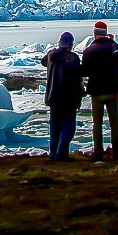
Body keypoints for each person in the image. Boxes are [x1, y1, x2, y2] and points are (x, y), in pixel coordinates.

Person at [80, 20, 118, 160]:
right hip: (112, 91)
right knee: (114, 121)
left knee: (97, 123)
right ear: (106, 34)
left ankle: (98, 152)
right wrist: (112, 42)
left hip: (96, 91)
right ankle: (116, 152)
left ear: (94, 33)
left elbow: (84, 72)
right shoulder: (113, 49)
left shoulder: (88, 51)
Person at [39, 31, 85, 161]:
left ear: (60, 42)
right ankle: (61, 153)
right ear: (70, 44)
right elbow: (78, 75)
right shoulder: (74, 58)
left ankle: (53, 154)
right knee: (68, 128)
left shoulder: (51, 55)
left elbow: (43, 62)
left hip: (53, 97)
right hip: (69, 98)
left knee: (55, 127)